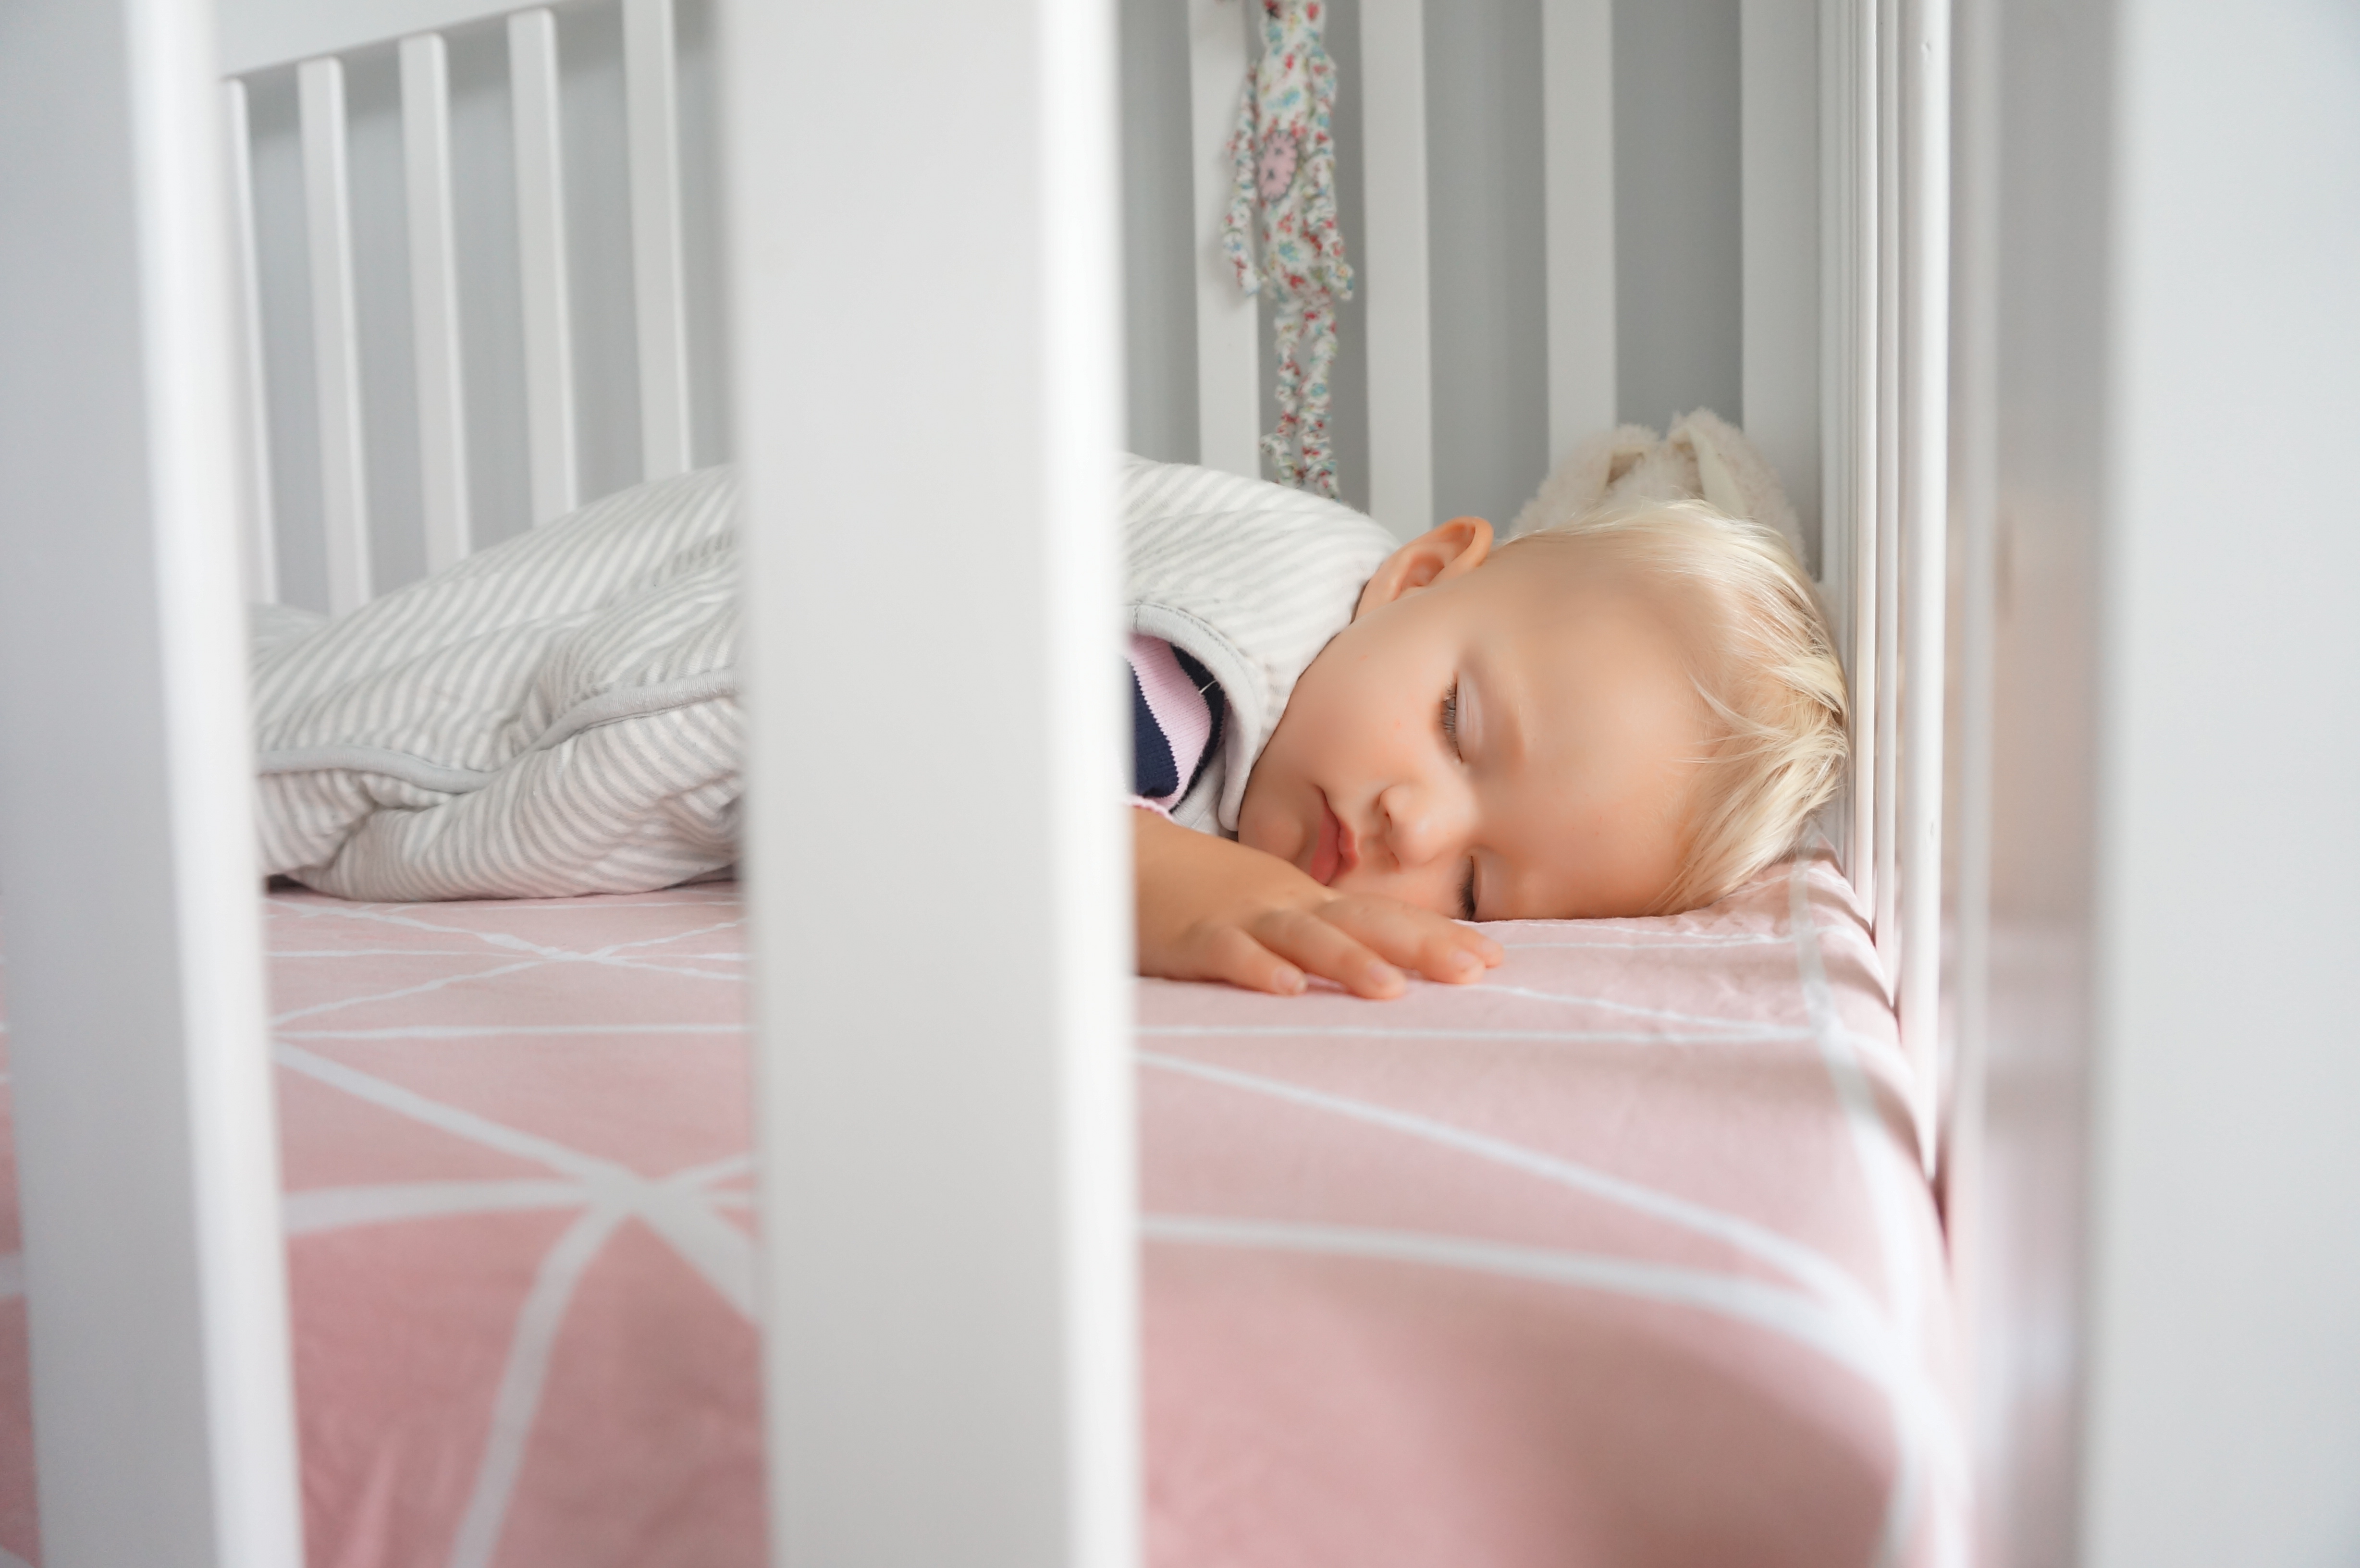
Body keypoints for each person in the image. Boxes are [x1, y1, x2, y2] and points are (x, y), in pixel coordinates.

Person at [1125, 459, 1846, 1001]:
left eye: (1473, 891)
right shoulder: (1238, 633)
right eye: (1455, 726)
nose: (1418, 833)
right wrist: (1175, 883)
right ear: (1420, 578)